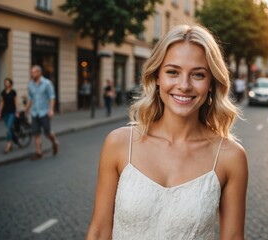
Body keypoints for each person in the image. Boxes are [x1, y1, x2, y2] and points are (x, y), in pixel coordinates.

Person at [86, 25, 248, 239]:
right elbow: (99, 231)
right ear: (157, 77)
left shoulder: (231, 157)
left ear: (211, 83)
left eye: (198, 75)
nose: (184, 85)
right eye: (172, 72)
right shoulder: (119, 143)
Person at [25, 65, 59, 160]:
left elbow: (52, 97)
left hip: (44, 112)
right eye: (31, 72)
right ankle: (39, 153)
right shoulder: (30, 84)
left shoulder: (47, 83)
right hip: (35, 112)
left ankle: (54, 142)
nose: (32, 74)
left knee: (47, 133)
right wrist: (26, 109)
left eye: (34, 72)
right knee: (36, 133)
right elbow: (30, 98)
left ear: (39, 72)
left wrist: (51, 110)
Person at [0, 78, 19, 153]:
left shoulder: (13, 92)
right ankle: (13, 140)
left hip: (12, 112)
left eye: (7, 82)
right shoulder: (3, 92)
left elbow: (16, 102)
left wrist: (17, 111)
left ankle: (8, 144)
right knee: (9, 128)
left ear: (10, 83)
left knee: (8, 128)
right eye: (5, 82)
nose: (6, 83)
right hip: (5, 112)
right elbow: (1, 103)